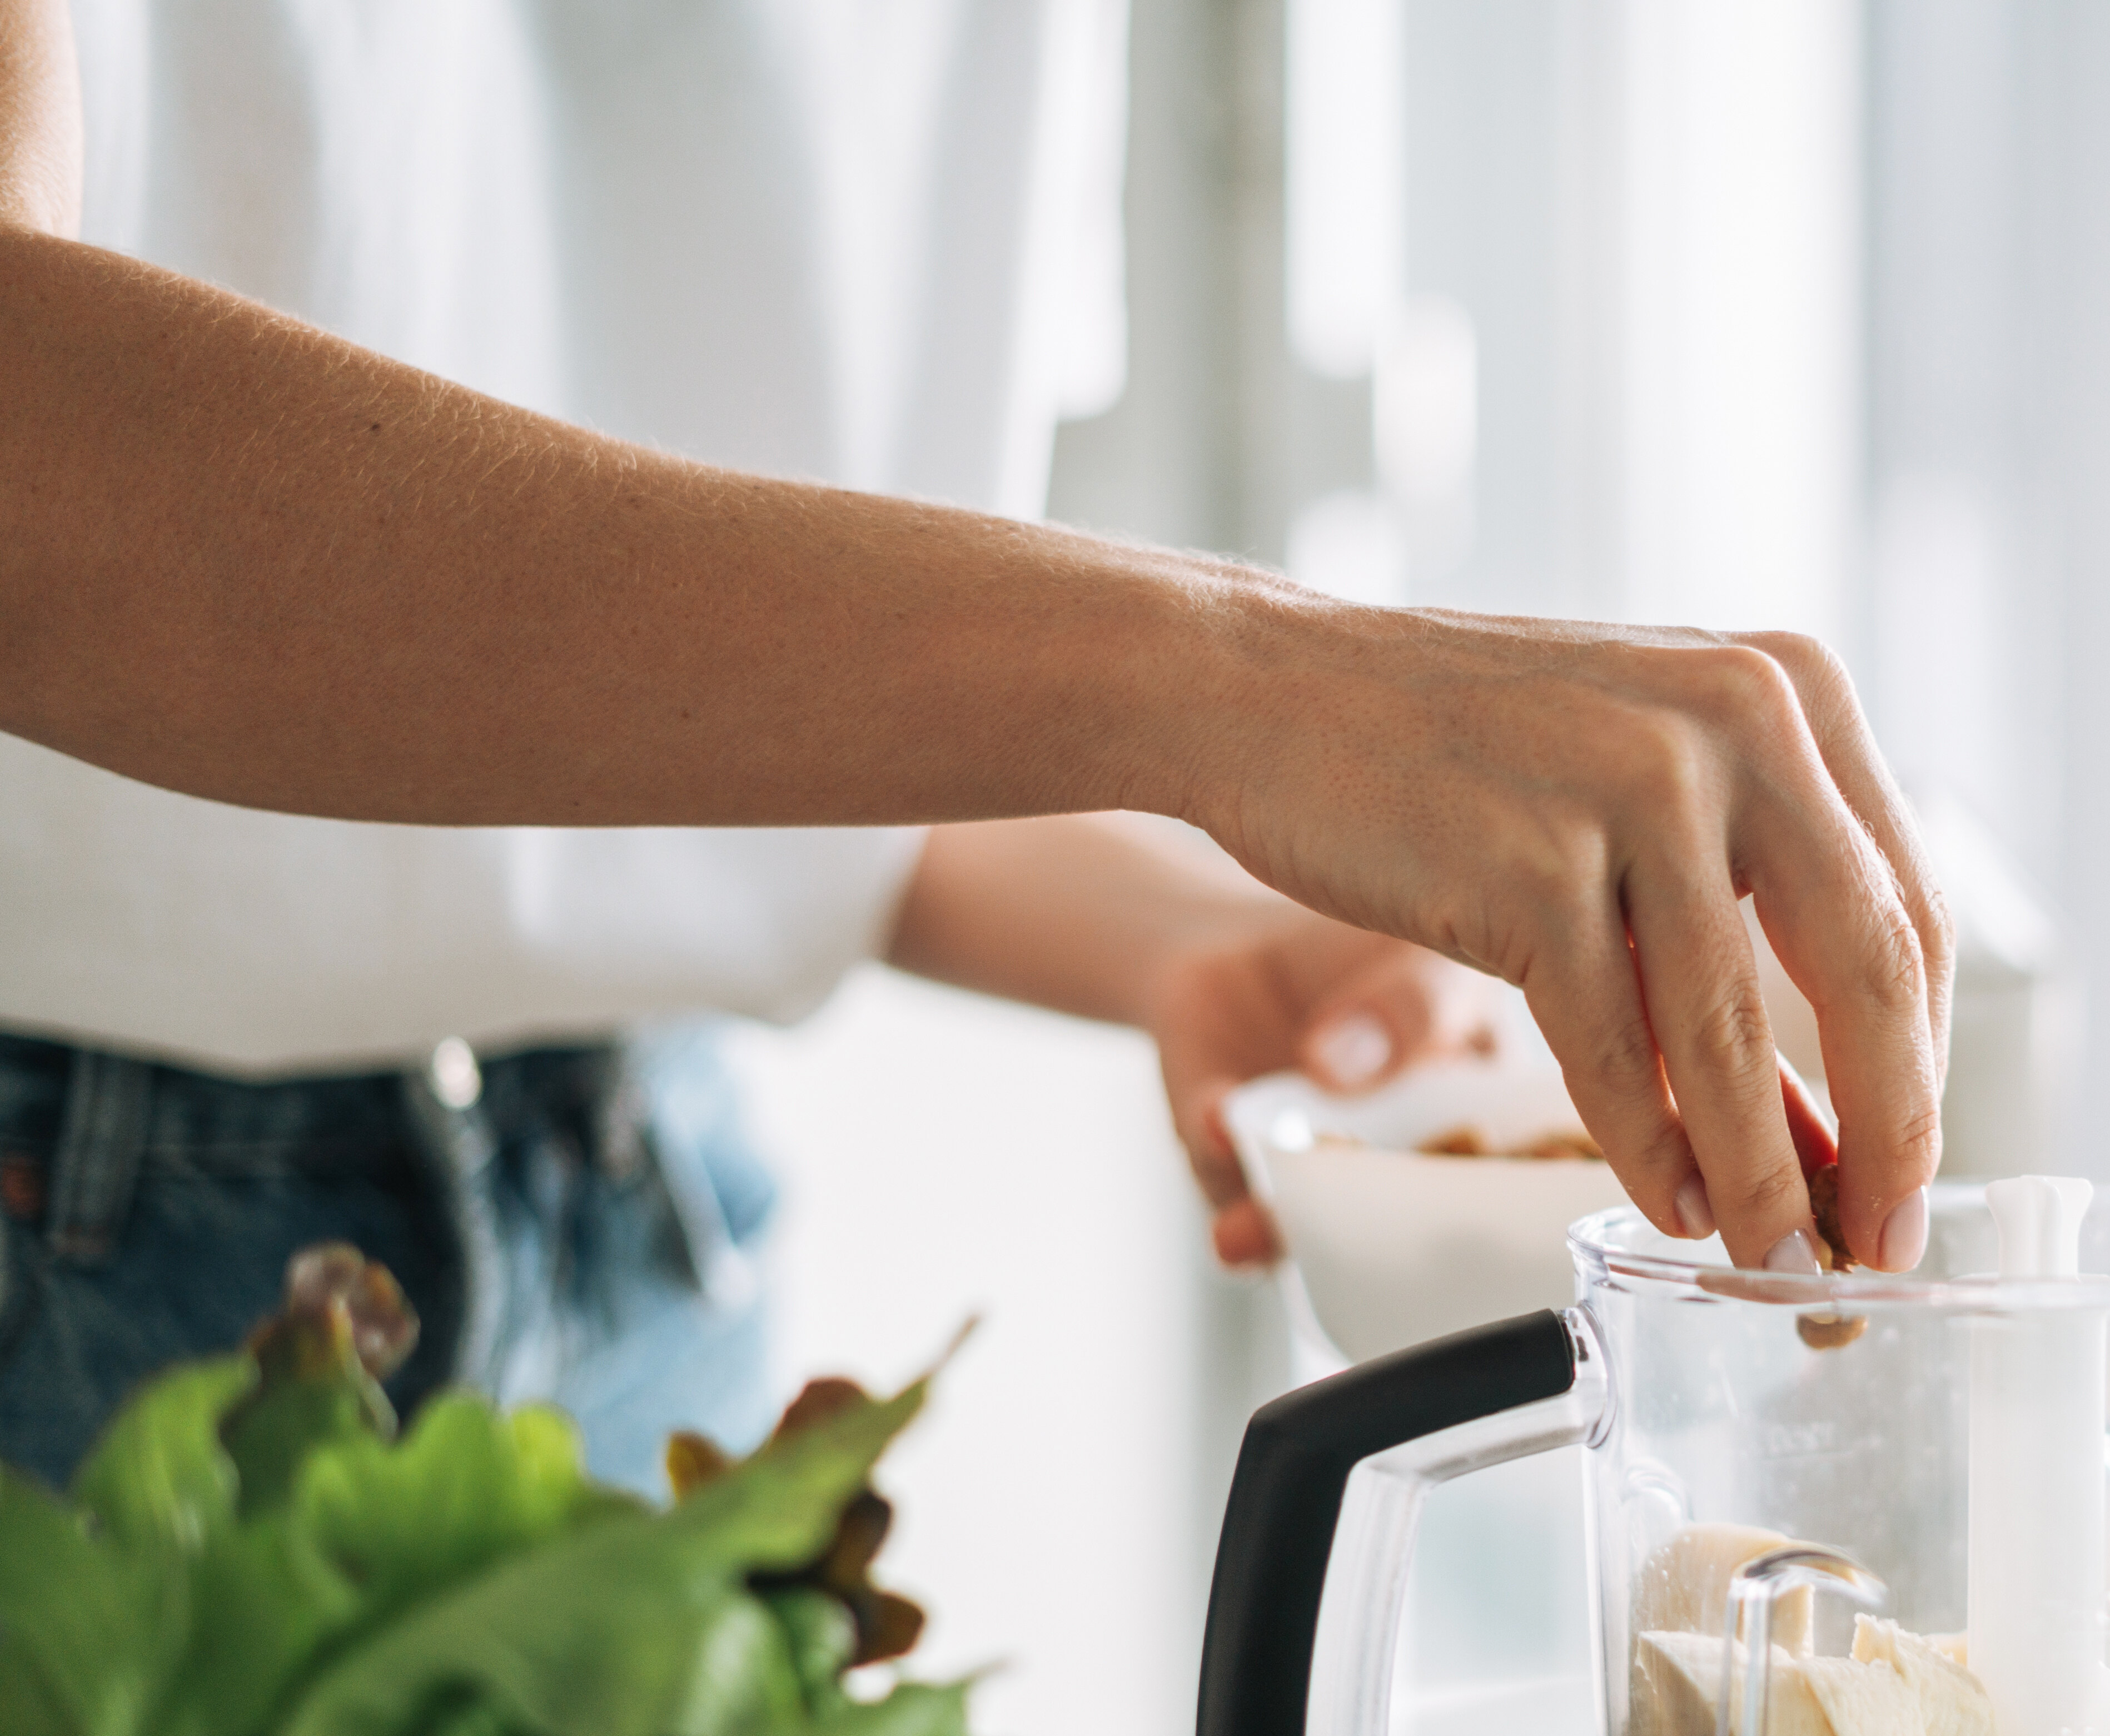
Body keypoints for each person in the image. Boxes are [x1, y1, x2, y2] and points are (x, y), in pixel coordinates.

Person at [0, 0, 1949, 1485]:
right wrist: (1251, 684)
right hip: (72, 1276)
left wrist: (1181, 931)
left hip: (651, 1224)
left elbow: (688, 674)